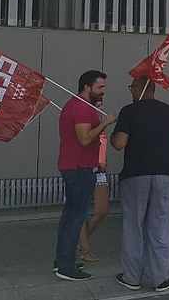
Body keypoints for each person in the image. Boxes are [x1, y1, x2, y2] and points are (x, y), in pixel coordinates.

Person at [110, 77, 169, 292]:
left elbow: (119, 143)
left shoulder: (129, 111)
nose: (131, 91)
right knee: (161, 226)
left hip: (135, 176)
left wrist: (111, 135)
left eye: (132, 87)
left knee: (133, 226)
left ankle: (132, 277)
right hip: (164, 175)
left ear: (141, 88)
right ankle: (161, 278)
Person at [54, 70, 115, 281]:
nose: (103, 92)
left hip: (77, 167)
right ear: (87, 87)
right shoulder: (80, 107)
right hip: (78, 168)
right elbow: (84, 139)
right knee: (75, 217)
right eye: (100, 87)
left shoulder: (82, 106)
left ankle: (62, 260)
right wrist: (105, 123)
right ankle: (66, 266)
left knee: (70, 216)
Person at [78, 103, 108, 264]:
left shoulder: (101, 123)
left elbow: (102, 144)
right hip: (84, 168)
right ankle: (85, 249)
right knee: (81, 211)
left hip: (100, 169)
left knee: (102, 210)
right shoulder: (83, 122)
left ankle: (80, 241)